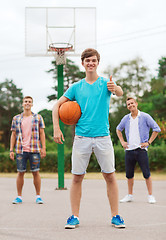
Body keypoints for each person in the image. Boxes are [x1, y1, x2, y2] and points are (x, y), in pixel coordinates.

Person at [52, 48, 125, 229]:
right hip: (82, 138)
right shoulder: (76, 87)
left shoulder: (105, 84)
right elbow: (56, 106)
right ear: (82, 63)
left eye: (94, 60)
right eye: (87, 60)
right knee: (77, 178)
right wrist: (56, 128)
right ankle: (74, 216)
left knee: (110, 176)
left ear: (98, 63)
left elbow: (120, 92)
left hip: (103, 137)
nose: (91, 63)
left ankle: (116, 216)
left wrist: (115, 88)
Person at [116, 97, 161, 204]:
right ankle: (129, 195)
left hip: (141, 150)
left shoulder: (145, 116)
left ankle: (150, 195)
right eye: (128, 104)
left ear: (136, 103)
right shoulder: (126, 118)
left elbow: (156, 129)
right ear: (127, 107)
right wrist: (122, 142)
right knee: (129, 175)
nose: (130, 105)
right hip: (129, 151)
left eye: (132, 103)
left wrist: (148, 142)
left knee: (146, 174)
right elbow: (118, 129)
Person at [10, 96, 46, 204]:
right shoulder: (16, 118)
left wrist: (43, 148)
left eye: (29, 102)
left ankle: (38, 196)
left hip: (34, 149)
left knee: (36, 172)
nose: (27, 103)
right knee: (20, 172)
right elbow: (13, 134)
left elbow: (42, 133)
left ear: (32, 104)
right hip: (21, 150)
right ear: (22, 104)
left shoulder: (38, 117)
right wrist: (11, 150)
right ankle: (19, 196)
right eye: (25, 101)